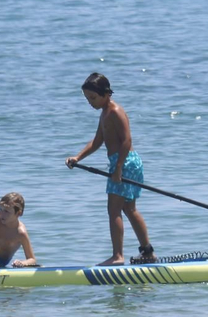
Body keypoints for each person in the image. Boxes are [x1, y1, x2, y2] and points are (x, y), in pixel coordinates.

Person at [66, 73, 155, 266]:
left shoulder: (115, 111)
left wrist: (119, 168)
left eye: (93, 98)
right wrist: (78, 157)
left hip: (126, 162)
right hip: (124, 163)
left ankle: (117, 256)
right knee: (129, 209)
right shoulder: (104, 113)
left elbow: (126, 140)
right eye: (87, 98)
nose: (90, 102)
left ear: (106, 94)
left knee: (114, 209)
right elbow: (98, 141)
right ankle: (147, 252)